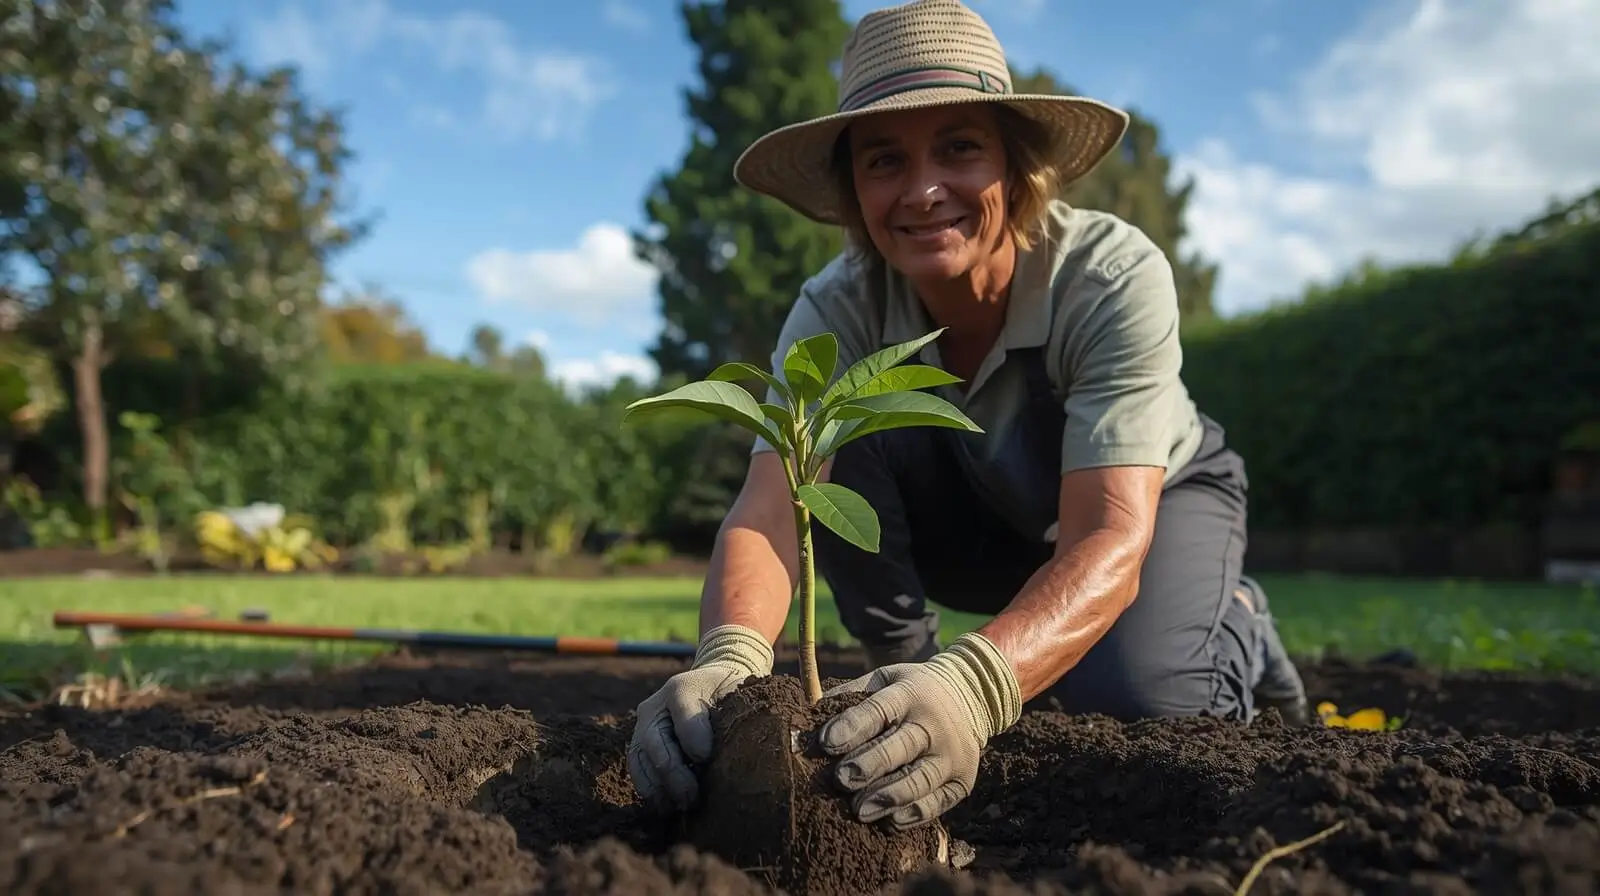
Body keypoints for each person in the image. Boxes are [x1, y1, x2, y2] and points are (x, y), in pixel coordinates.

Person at [627, 0, 1310, 835]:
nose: (922, 191)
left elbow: (1108, 535)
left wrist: (973, 688)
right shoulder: (835, 312)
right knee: (842, 448)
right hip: (979, 517)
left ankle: (1225, 613)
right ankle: (907, 692)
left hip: (1144, 510)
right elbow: (771, 511)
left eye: (959, 147)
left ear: (1018, 167)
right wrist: (729, 655)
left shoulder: (1107, 276)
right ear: (853, 192)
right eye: (884, 160)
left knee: (1149, 708)